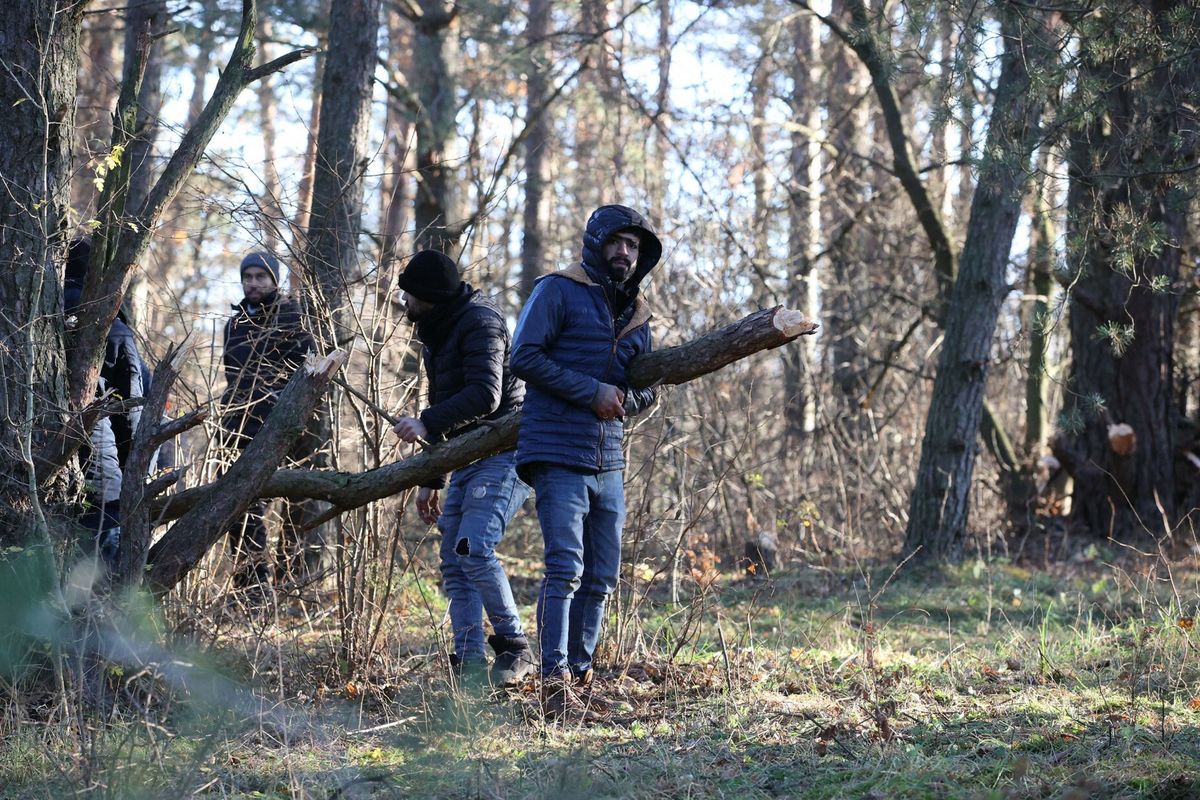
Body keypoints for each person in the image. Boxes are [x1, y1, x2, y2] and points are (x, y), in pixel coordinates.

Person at [509, 204, 662, 718]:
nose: (624, 252)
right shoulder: (558, 288)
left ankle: (581, 676)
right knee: (565, 570)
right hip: (556, 451)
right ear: (595, 241)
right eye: (616, 241)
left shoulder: (639, 314)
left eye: (633, 245)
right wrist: (590, 392)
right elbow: (523, 356)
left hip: (609, 461)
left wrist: (621, 400)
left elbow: (647, 390)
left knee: (601, 577)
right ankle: (554, 685)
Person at [392, 250, 534, 687]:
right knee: (454, 561)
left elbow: (486, 396)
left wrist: (426, 423)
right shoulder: (437, 328)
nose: (404, 301)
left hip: (504, 452)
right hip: (463, 456)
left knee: (474, 547)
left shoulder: (481, 321)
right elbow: (443, 404)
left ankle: (515, 647)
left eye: (410, 294)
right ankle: (469, 663)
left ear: (429, 297)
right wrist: (431, 478)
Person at [221, 251, 315, 591]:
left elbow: (307, 375)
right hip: (237, 427)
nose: (253, 283)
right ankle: (252, 588)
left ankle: (292, 581)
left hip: (280, 428)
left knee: (294, 504)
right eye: (248, 276)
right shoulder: (234, 324)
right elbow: (232, 376)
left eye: (261, 276)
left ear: (274, 280)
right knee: (238, 507)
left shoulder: (291, 318)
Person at [64, 238, 147, 569]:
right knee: (104, 542)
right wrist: (135, 468)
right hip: (99, 456)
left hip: (41, 455)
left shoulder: (40, 308)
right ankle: (101, 616)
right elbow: (131, 407)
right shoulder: (112, 325)